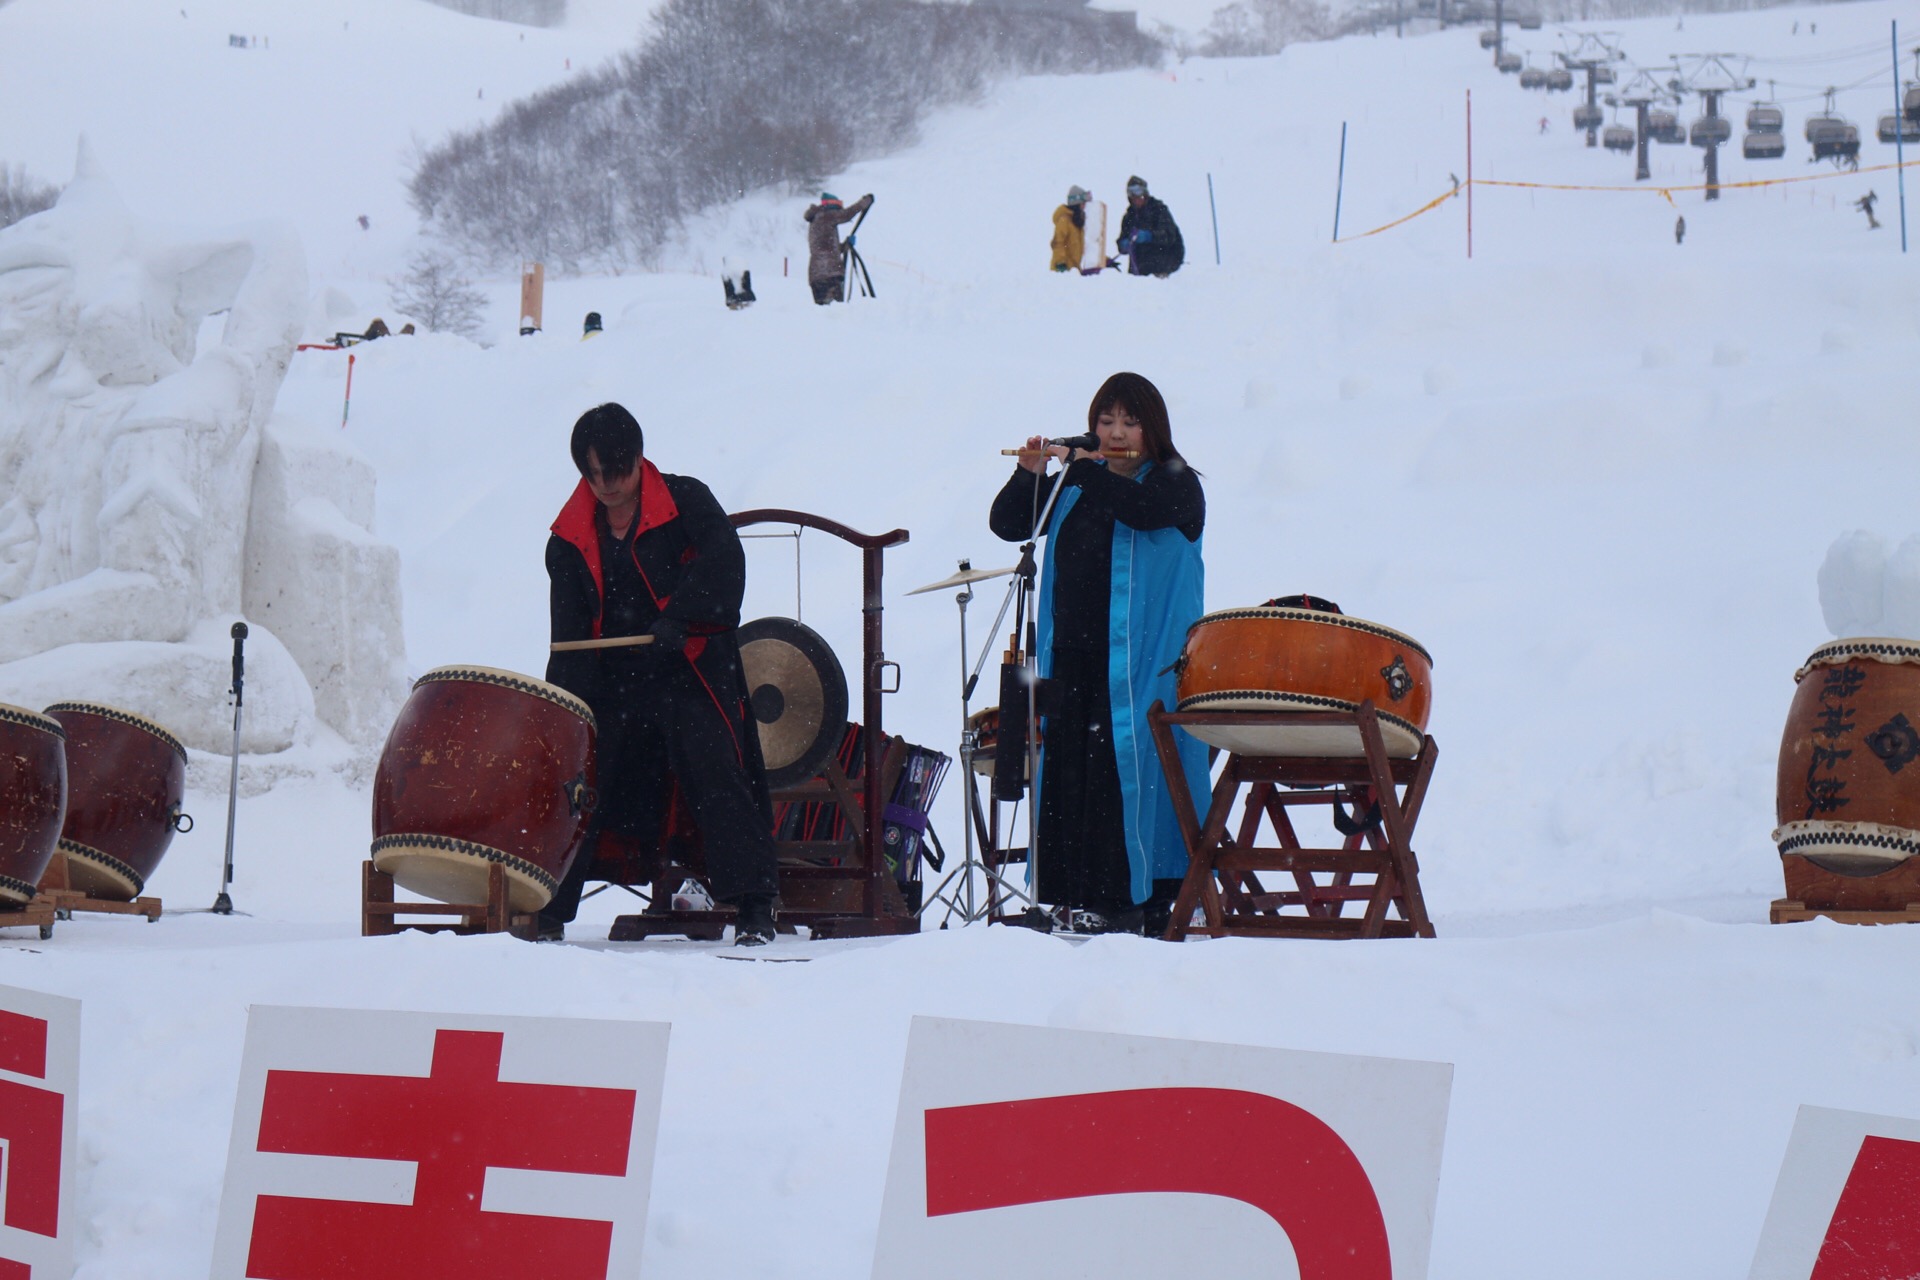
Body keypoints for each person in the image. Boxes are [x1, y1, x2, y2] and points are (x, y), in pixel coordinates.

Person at [540, 404, 781, 945]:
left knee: (716, 769)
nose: (606, 485)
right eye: (593, 473)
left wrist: (681, 616)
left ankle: (754, 908)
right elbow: (570, 642)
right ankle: (549, 910)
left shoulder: (687, 500)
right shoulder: (566, 541)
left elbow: (724, 564)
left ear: (639, 458)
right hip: (614, 681)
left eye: (616, 471)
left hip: (689, 666)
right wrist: (567, 713)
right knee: (582, 780)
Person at [988, 372, 1210, 935]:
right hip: (1075, 656)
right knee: (1068, 775)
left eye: (1130, 422)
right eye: (1105, 421)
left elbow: (1136, 508)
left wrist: (1082, 466)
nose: (1115, 433)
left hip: (1143, 665)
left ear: (1154, 428)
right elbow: (1009, 524)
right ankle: (1067, 896)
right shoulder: (1079, 481)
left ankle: (1127, 901)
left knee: (1123, 777)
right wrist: (1030, 473)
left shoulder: (1175, 484)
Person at [803, 192, 872, 304]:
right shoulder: (826, 215)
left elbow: (824, 248)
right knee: (835, 312)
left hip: (816, 274)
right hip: (829, 273)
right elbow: (847, 214)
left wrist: (844, 246)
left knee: (825, 314)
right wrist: (866, 201)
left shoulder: (816, 219)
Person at [1116, 176, 1184, 278]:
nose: (1136, 197)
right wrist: (1124, 245)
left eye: (1138, 191)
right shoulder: (1129, 217)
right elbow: (1122, 241)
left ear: (1145, 192)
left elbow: (1170, 236)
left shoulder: (1158, 210)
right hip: (1139, 270)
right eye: (1131, 192)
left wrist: (1149, 236)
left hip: (1162, 266)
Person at [1051, 186, 1091, 272]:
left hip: (1075, 271)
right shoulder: (1064, 221)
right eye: (1083, 203)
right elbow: (1058, 243)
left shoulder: (1079, 223)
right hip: (1063, 271)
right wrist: (1060, 262)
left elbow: (1087, 246)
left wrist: (1103, 260)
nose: (1085, 207)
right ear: (1076, 204)